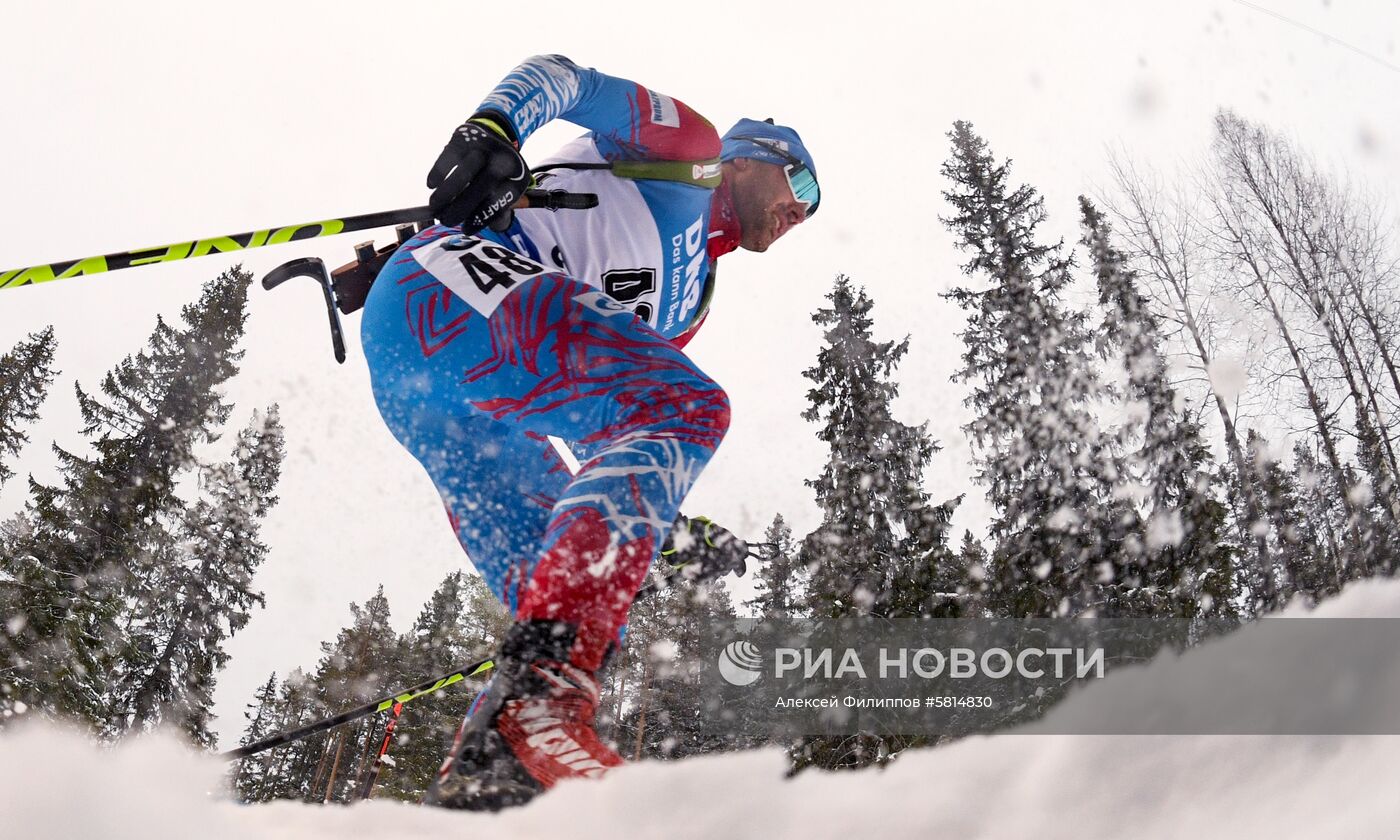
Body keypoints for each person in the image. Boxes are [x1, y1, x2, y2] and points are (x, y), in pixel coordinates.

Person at [359, 54, 819, 811]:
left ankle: (485, 784)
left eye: (813, 207)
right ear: (752, 157)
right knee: (690, 408)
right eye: (801, 184)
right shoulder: (690, 157)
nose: (802, 212)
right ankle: (527, 718)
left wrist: (658, 524)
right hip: (437, 293)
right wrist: (494, 132)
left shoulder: (689, 308)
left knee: (580, 606)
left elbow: (609, 428)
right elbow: (564, 79)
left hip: (461, 401)